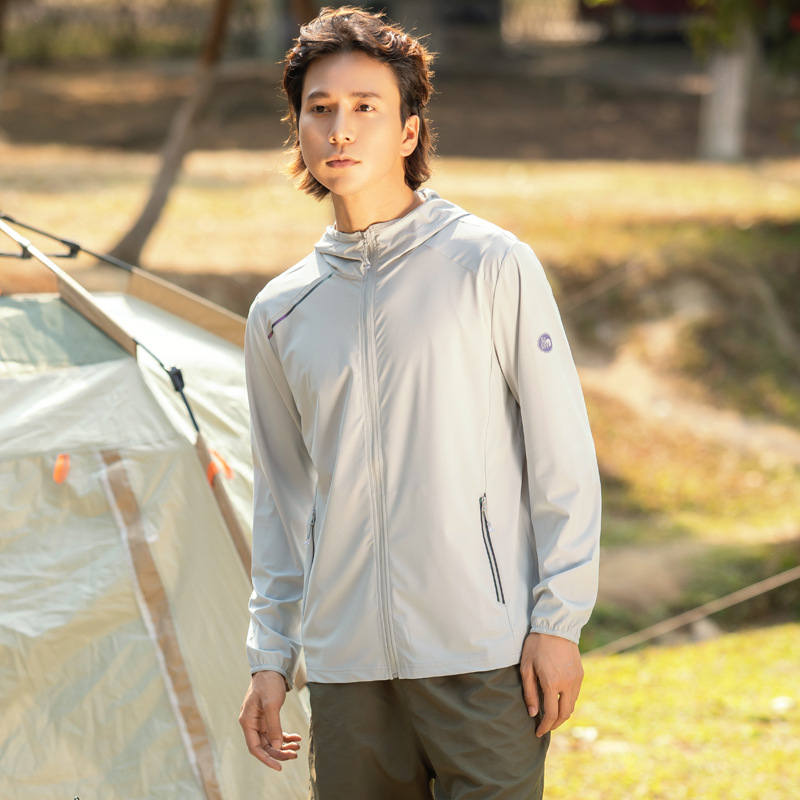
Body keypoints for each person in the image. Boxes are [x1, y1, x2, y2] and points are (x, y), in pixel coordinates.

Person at [239, 7, 601, 799]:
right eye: (320, 108)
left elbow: (561, 455)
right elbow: (282, 499)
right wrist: (270, 656)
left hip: (484, 656)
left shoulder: (491, 264)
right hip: (346, 671)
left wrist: (558, 622)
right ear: (298, 129)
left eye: (366, 106)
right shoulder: (279, 312)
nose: (340, 128)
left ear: (408, 131)